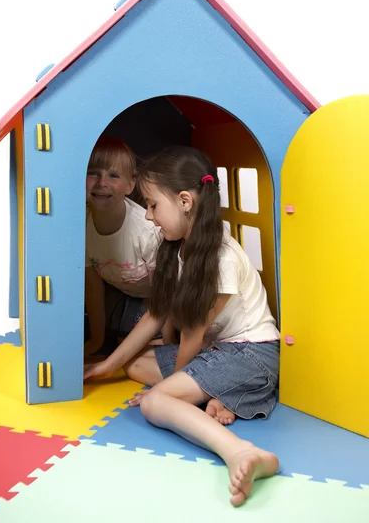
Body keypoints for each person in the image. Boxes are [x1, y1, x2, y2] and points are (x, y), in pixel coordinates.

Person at [84, 145, 280, 506]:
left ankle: (240, 452)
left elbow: (193, 332)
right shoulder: (179, 248)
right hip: (218, 350)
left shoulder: (219, 257)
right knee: (135, 364)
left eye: (153, 205)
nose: (148, 216)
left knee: (154, 404)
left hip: (252, 356)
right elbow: (157, 315)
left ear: (185, 201)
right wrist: (108, 364)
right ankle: (218, 396)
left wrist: (172, 388)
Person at [84, 136, 162, 357]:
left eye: (113, 175)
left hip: (162, 295)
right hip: (122, 292)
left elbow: (165, 293)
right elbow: (93, 285)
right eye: (93, 173)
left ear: (130, 185)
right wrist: (96, 339)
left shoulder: (145, 230)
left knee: (126, 342)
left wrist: (170, 336)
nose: (101, 182)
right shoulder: (80, 226)